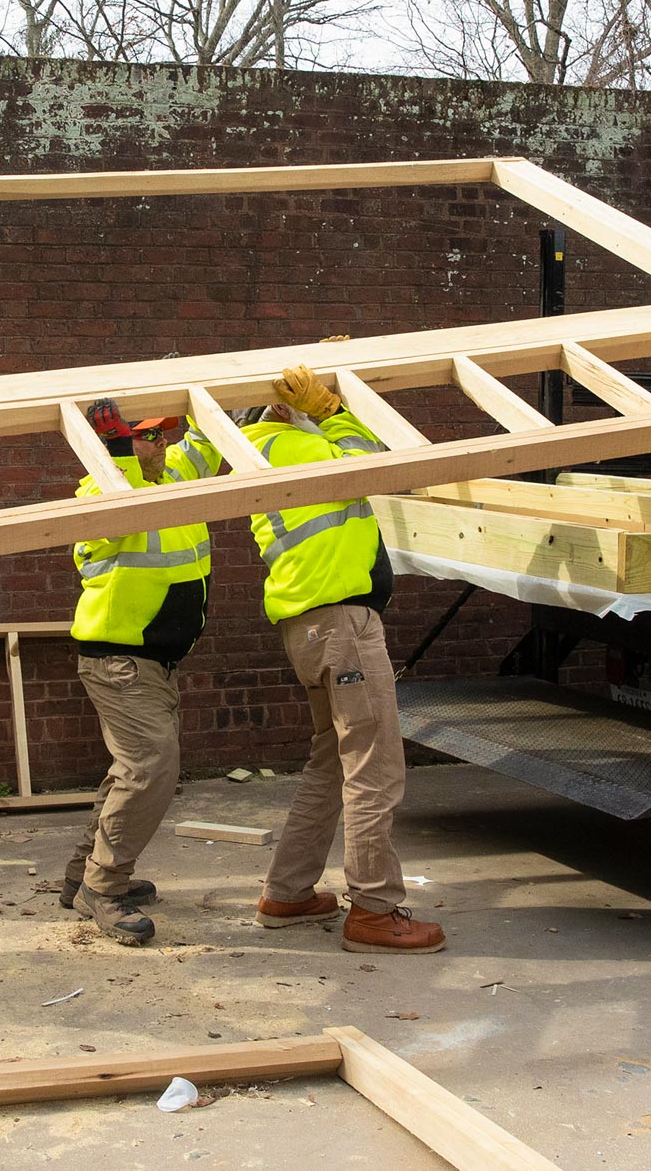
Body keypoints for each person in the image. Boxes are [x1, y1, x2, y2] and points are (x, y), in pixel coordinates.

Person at [241, 367, 444, 955]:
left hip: (311, 626)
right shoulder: (292, 442)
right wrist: (333, 409)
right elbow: (370, 458)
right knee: (374, 766)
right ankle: (375, 910)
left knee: (330, 764)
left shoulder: (260, 454)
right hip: (342, 626)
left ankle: (288, 892)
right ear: (278, 407)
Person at [61, 400, 222, 947]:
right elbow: (108, 516)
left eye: (162, 436)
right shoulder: (98, 494)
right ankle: (104, 889)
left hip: (152, 662)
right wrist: (116, 456)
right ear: (121, 447)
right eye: (147, 439)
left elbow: (208, 442)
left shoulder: (173, 475)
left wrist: (237, 402)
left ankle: (80, 878)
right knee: (151, 765)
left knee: (133, 766)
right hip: (119, 662)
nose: (163, 446)